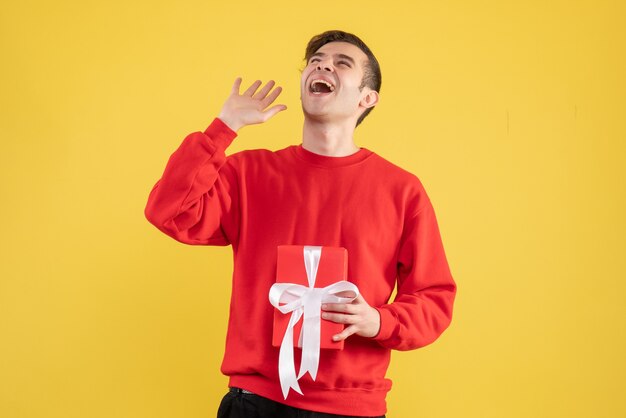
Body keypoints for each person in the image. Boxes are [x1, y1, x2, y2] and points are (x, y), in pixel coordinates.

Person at [144, 29, 457, 418]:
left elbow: (435, 297)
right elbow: (168, 211)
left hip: (353, 407)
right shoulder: (249, 173)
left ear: (367, 98)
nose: (322, 64)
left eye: (342, 63)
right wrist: (223, 127)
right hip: (255, 402)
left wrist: (378, 320)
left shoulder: (401, 190)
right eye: (315, 60)